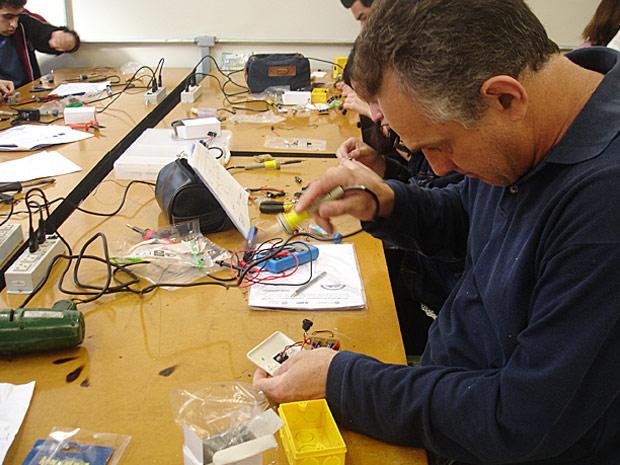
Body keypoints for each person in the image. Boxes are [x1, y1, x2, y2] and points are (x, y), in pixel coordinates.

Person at [254, 0, 620, 464]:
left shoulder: (604, 203)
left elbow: (520, 420)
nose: (440, 168)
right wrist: (389, 203)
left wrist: (342, 382)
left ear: (505, 98)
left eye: (439, 146)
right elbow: (474, 216)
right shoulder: (542, 117)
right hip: (450, 392)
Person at [0, 0, 80, 89]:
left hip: (26, 90)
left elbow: (46, 34)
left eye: (17, 16)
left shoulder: (24, 20)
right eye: (8, 17)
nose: (14, 25)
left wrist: (68, 40)